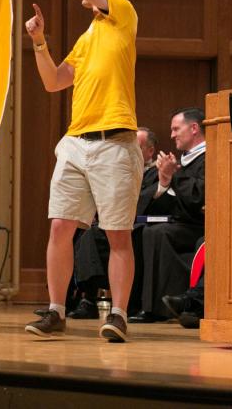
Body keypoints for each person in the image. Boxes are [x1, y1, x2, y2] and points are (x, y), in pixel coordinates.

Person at [6, 0, 143, 342]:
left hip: (114, 141)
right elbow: (54, 82)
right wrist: (39, 42)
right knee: (61, 227)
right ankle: (56, 310)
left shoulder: (121, 11)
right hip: (76, 143)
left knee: (118, 234)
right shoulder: (88, 37)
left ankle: (118, 314)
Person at [66, 127, 158, 319]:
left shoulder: (157, 171)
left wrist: (164, 182)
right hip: (113, 219)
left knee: (130, 236)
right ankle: (83, 298)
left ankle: (121, 307)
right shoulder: (112, 166)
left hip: (143, 223)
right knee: (83, 232)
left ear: (150, 151)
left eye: (139, 146)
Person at [129, 108, 205, 323]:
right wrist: (164, 179)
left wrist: (175, 175)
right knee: (142, 231)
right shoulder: (184, 160)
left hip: (200, 225)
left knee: (158, 233)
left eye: (175, 129)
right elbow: (171, 203)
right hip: (181, 221)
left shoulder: (210, 156)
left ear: (194, 129)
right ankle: (140, 304)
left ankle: (156, 308)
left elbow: (198, 197)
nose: (171, 135)